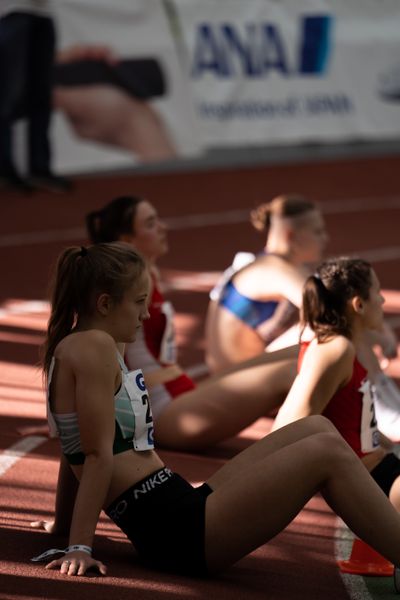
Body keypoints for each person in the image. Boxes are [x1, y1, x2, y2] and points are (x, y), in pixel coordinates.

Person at [30, 241, 400, 586]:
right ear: (105, 304)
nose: (145, 313)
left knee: (315, 426)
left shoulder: (98, 343)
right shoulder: (91, 346)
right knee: (327, 452)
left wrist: (64, 524)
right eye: (139, 302)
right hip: (179, 534)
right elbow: (94, 455)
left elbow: (71, 443)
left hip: (182, 505)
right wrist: (79, 545)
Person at [85, 196, 298, 450]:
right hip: (165, 412)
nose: (163, 228)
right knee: (292, 372)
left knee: (304, 352)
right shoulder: (122, 287)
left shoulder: (147, 275)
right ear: (127, 239)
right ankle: (289, 453)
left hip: (181, 392)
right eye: (151, 224)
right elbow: (97, 348)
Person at [272, 257, 400, 507]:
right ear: (359, 304)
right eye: (377, 292)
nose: (383, 300)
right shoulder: (335, 350)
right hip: (369, 482)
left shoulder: (345, 344)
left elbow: (355, 424)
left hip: (379, 468)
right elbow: (286, 428)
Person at [204, 194, 329, 372]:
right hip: (239, 380)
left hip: (237, 373)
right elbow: (328, 311)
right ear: (291, 235)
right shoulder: (274, 270)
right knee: (326, 329)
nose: (325, 238)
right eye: (318, 231)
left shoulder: (268, 263)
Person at [0, 1, 71, 193]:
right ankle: (5, 168)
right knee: (7, 96)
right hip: (11, 13)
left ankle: (39, 167)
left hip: (43, 14)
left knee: (41, 96)